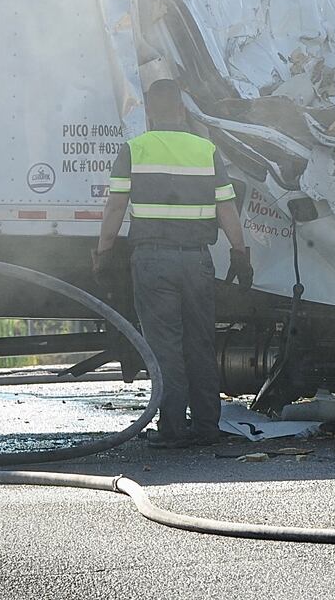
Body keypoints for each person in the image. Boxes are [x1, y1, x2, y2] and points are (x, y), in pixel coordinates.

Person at [96, 79, 251, 448]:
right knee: (200, 343)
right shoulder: (205, 150)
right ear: (181, 110)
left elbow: (116, 207)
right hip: (196, 261)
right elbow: (226, 207)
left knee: (165, 346)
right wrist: (240, 252)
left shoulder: (134, 150)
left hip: (152, 262)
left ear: (149, 113)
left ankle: (172, 429)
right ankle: (206, 427)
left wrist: (103, 252)